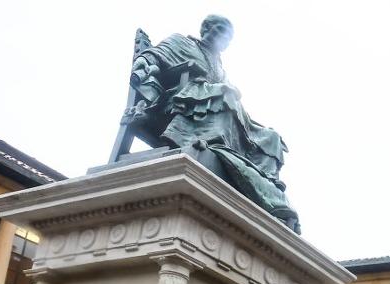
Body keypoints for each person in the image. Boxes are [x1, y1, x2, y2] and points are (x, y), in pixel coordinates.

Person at [124, 15, 301, 231]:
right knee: (227, 94)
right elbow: (152, 57)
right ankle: (215, 147)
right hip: (179, 101)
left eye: (226, 36)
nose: (221, 37)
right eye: (218, 29)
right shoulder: (181, 41)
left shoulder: (220, 65)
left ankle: (258, 180)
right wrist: (144, 69)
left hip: (211, 103)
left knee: (271, 137)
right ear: (205, 28)